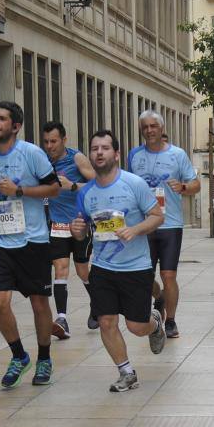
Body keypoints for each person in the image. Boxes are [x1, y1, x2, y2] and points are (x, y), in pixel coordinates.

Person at [70, 130, 167, 392]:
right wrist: (76, 230)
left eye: (104, 148)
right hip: (102, 267)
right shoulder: (86, 192)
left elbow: (158, 216)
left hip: (136, 267)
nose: (99, 152)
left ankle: (155, 322)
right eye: (94, 148)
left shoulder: (133, 184)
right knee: (106, 322)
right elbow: (81, 229)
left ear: (116, 154)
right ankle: (126, 372)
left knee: (136, 326)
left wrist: (135, 230)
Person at [0, 101, 61, 389]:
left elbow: (54, 187)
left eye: (2, 119)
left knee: (39, 302)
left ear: (15, 126)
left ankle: (44, 358)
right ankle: (19, 355)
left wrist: (19, 191)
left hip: (32, 239)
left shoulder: (32, 153)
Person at [128, 110, 200, 339]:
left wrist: (184, 187)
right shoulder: (134, 155)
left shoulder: (178, 155)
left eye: (153, 126)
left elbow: (196, 183)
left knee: (168, 275)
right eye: (145, 127)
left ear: (161, 129)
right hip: (144, 226)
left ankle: (170, 320)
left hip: (170, 224)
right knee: (144, 276)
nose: (149, 131)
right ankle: (158, 298)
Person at [42, 121, 97, 338]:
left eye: (53, 141)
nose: (49, 146)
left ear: (64, 140)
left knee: (83, 271)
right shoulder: (43, 162)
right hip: (57, 224)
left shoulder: (77, 158)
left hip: (80, 224)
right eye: (46, 141)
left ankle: (97, 303)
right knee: (61, 269)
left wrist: (72, 185)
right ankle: (62, 319)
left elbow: (98, 183)